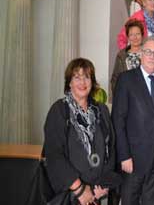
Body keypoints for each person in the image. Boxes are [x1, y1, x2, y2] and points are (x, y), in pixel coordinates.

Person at [44, 58, 121, 205]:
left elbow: (111, 148)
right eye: (77, 77)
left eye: (87, 77)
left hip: (95, 192)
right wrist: (79, 189)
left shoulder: (101, 110)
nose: (82, 82)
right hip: (71, 194)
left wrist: (103, 184)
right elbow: (54, 154)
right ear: (69, 83)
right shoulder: (59, 110)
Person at [112, 37, 154, 205]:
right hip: (133, 160)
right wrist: (124, 156)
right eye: (148, 52)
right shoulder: (126, 80)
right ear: (140, 55)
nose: (152, 56)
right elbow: (118, 120)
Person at [111, 19, 144, 94]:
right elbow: (115, 79)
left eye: (138, 34)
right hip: (126, 96)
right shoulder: (121, 55)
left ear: (142, 35)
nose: (135, 37)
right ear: (128, 37)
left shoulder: (148, 53)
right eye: (131, 35)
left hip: (145, 96)